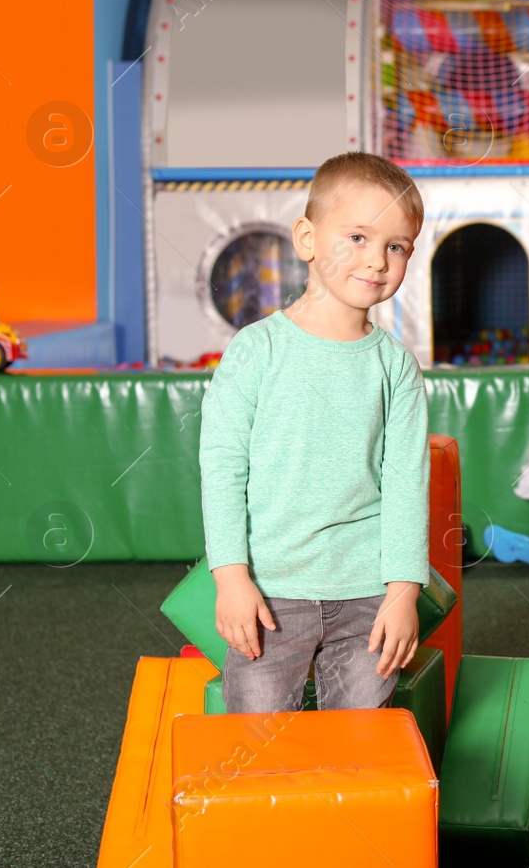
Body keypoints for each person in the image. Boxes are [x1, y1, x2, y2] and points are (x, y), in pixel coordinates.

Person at [199, 152, 430, 712]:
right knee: (254, 745)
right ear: (306, 238)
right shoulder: (258, 349)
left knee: (357, 749)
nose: (376, 259)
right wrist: (231, 578)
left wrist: (403, 592)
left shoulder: (395, 366)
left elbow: (405, 484)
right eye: (357, 236)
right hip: (272, 591)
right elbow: (223, 467)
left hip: (366, 595)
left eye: (395, 247)